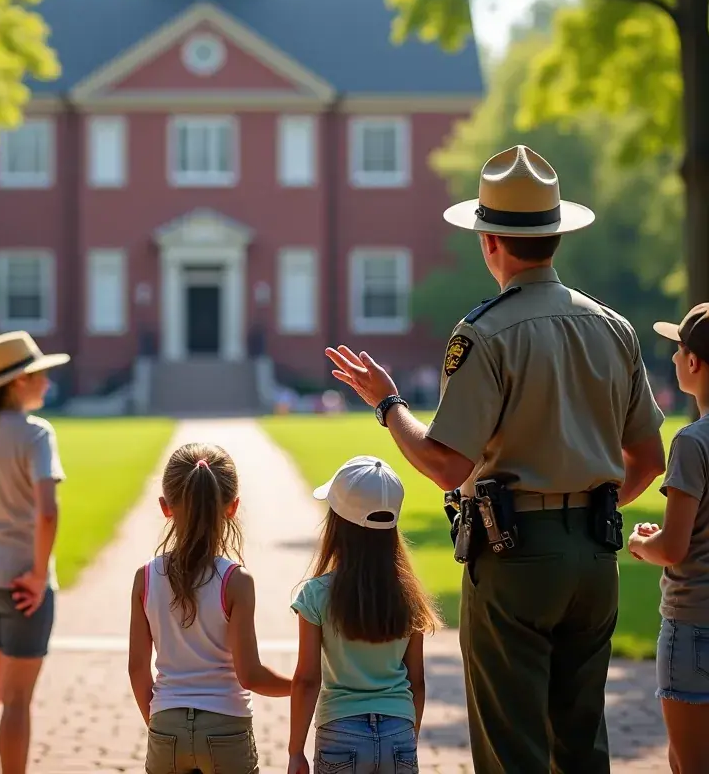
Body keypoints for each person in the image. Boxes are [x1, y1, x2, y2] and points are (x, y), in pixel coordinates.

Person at [326, 145, 667, 774]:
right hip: (595, 552)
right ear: (555, 235)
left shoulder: (484, 332)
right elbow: (648, 456)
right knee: (582, 739)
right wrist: (586, 509)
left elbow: (447, 466)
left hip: (514, 555)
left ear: (490, 242)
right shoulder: (613, 328)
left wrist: (386, 403)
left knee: (513, 749)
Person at [127, 442, 291, 774]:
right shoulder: (236, 581)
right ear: (232, 507)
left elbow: (137, 669)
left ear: (165, 507)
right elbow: (250, 675)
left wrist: (161, 721)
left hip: (166, 724)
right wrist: (301, 683)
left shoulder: (145, 578)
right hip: (226, 728)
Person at [0, 331, 69, 774]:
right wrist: (39, 575)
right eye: (39, 374)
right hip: (24, 585)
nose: (46, 382)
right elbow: (47, 513)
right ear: (19, 381)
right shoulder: (36, 433)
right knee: (18, 702)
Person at [288, 456, 440, 774]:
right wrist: (407, 739)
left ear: (337, 523)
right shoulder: (409, 595)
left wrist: (295, 751)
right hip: (398, 730)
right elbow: (417, 682)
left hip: (340, 732)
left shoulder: (315, 594)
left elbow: (306, 680)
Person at [628, 304, 709, 772]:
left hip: (693, 623)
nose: (675, 359)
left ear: (694, 361)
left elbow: (673, 549)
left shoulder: (693, 442)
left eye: (678, 349)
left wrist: (642, 544)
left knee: (689, 762)